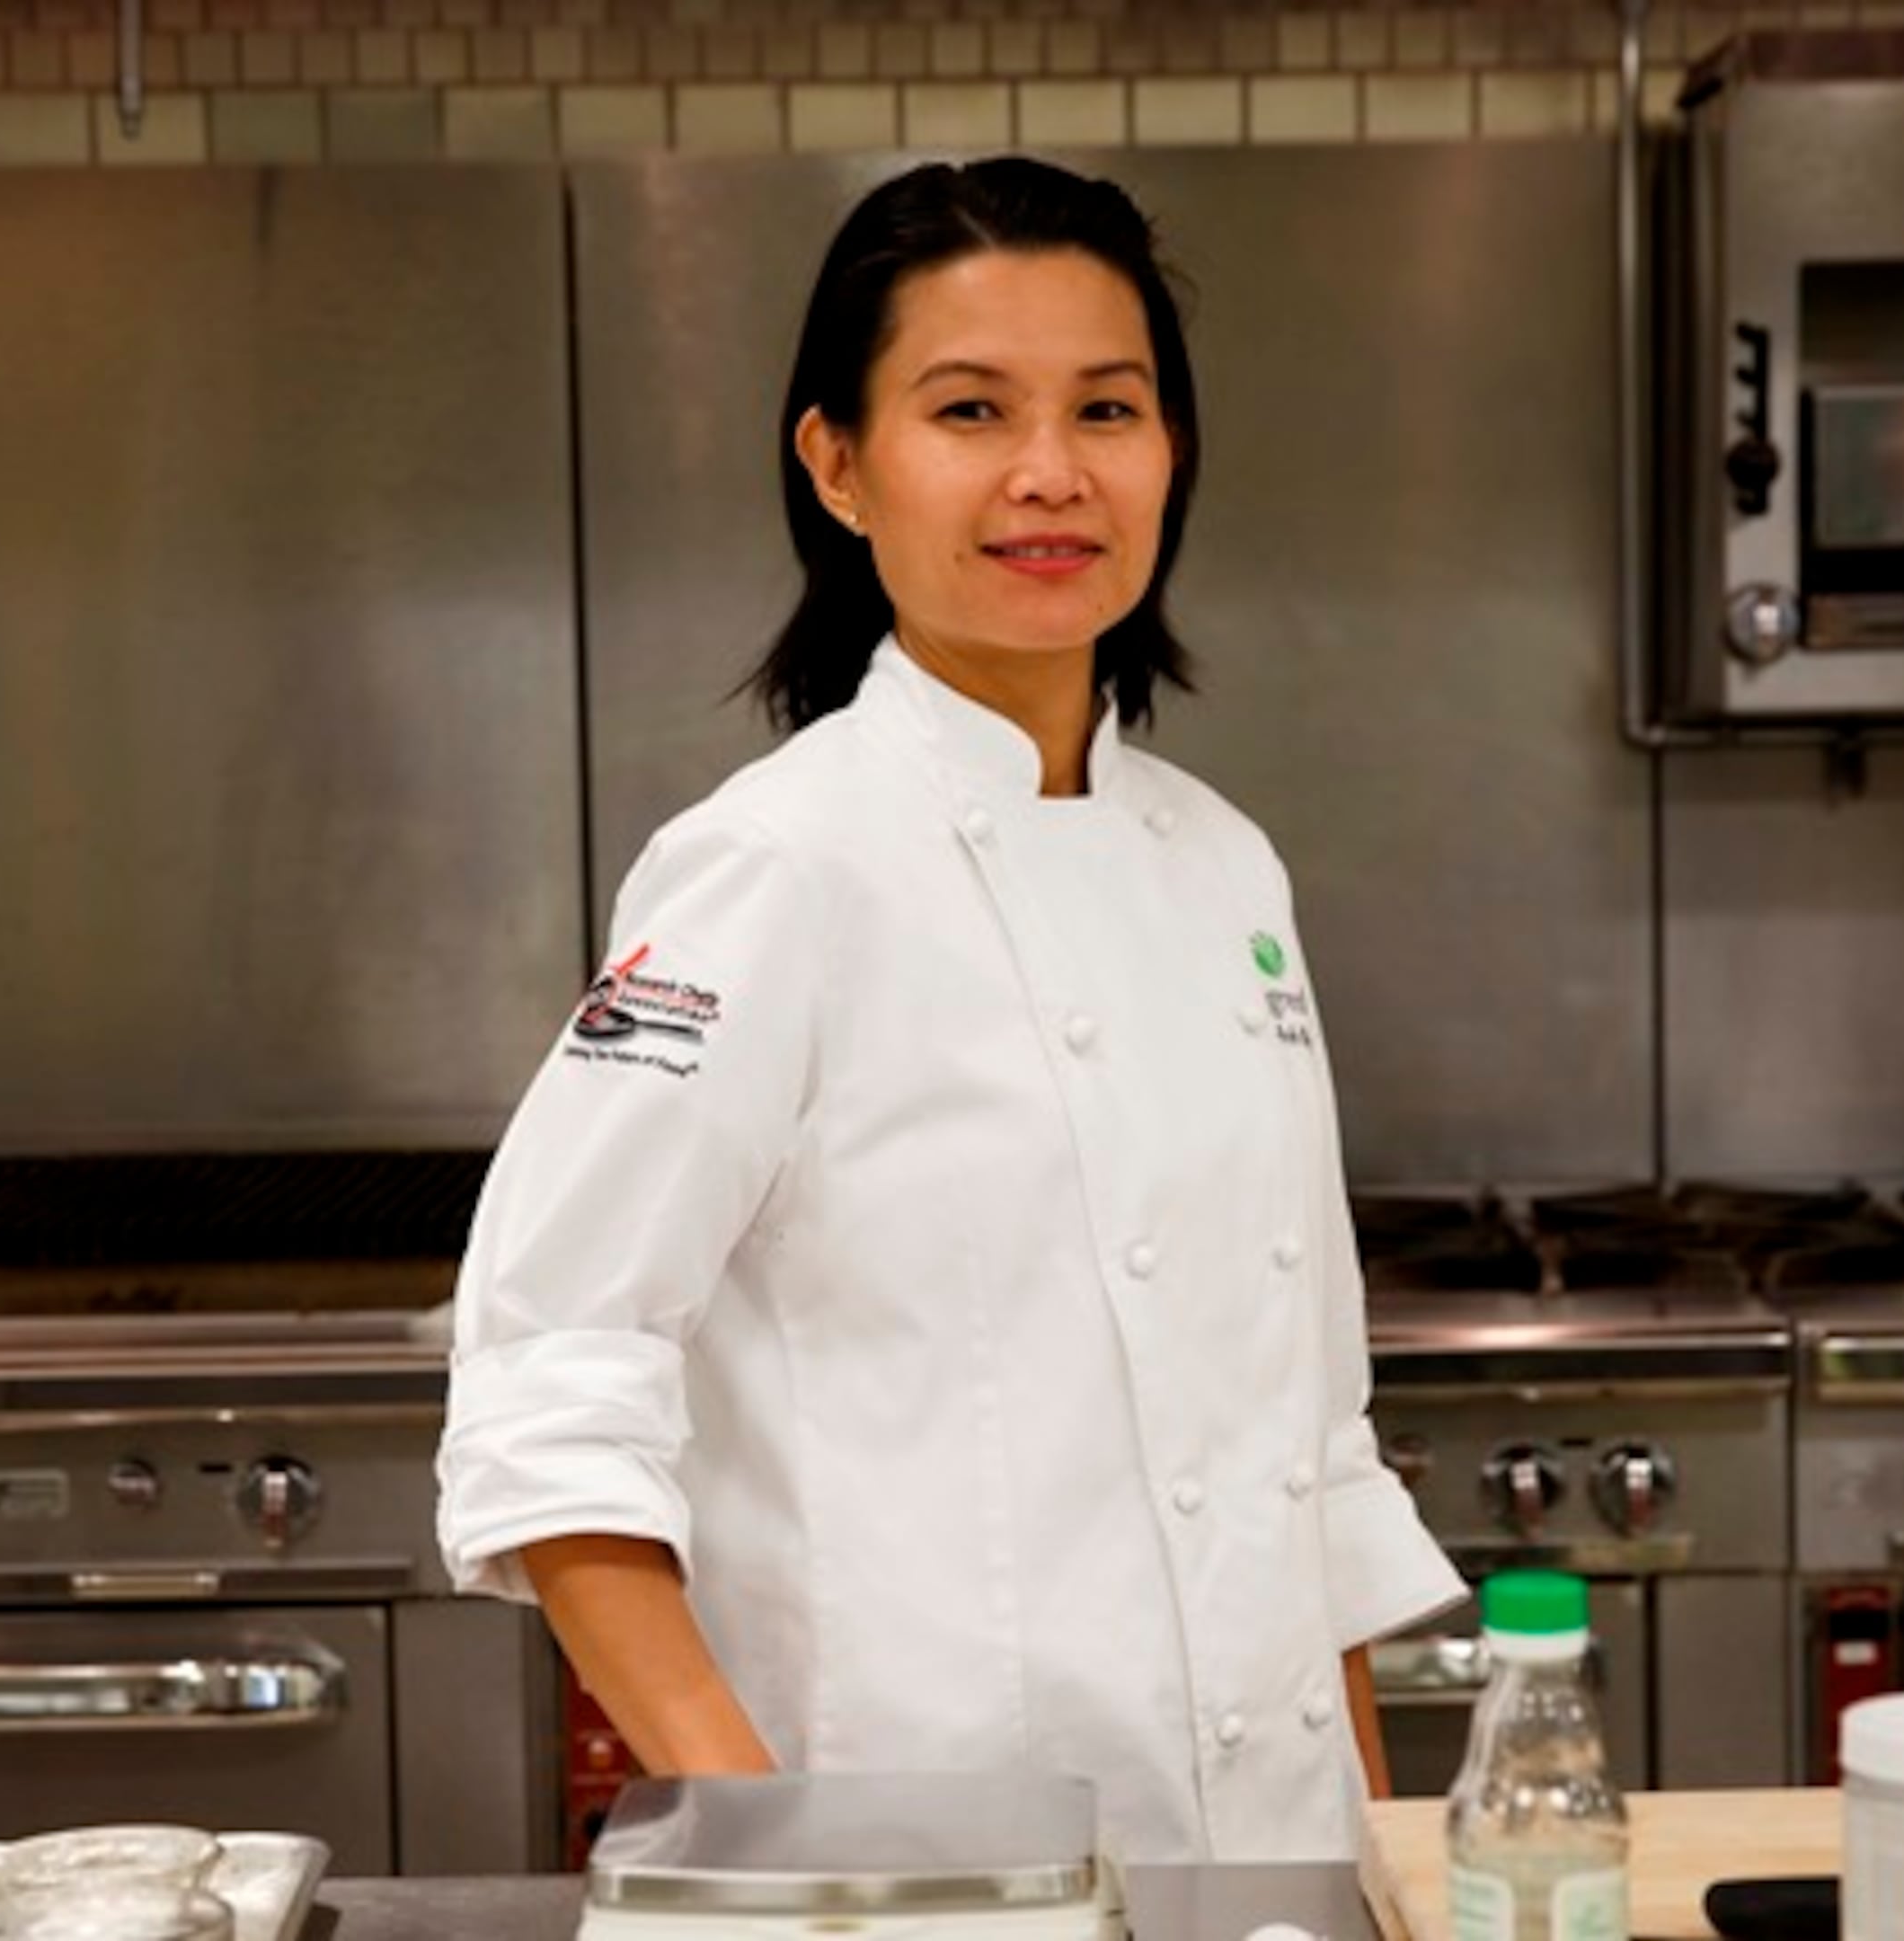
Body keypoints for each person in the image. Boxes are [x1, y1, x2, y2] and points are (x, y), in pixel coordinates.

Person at [436, 155, 1462, 1866]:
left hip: (1271, 1873)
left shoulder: (1226, 872)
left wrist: (1377, 1860)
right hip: (913, 1883)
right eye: (970, 409)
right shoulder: (775, 866)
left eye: (1107, 409)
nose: (1050, 474)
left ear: (1173, 453)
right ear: (840, 465)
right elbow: (550, 1383)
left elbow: (1310, 1446)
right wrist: (764, 1831)